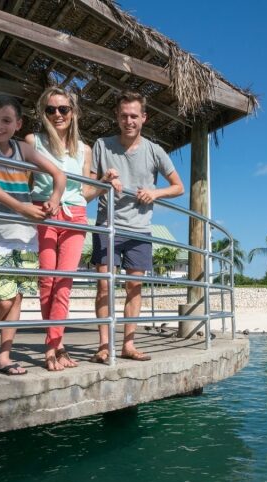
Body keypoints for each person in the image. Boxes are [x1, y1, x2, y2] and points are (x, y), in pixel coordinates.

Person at [0, 93, 66, 376]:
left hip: (26, 235)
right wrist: (21, 207)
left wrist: (54, 200)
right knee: (4, 299)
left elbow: (59, 175)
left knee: (18, 298)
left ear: (18, 123)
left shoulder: (23, 149)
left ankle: (4, 357)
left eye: (6, 120)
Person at [89, 91, 184, 363]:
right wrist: (104, 181)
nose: (128, 121)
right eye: (123, 116)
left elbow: (179, 187)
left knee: (134, 287)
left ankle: (128, 345)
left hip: (140, 229)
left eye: (134, 116)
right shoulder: (101, 145)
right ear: (116, 117)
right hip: (108, 226)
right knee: (104, 287)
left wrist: (155, 194)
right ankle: (104, 345)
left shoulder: (155, 151)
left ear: (144, 118)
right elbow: (87, 189)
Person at [25, 87, 97, 372]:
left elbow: (85, 191)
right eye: (51, 109)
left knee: (63, 283)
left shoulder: (84, 149)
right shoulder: (33, 141)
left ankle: (53, 344)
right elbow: (24, 181)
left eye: (63, 109)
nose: (57, 114)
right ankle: (55, 345)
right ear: (43, 113)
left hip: (75, 216)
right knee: (47, 282)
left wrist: (105, 182)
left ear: (73, 113)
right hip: (45, 212)